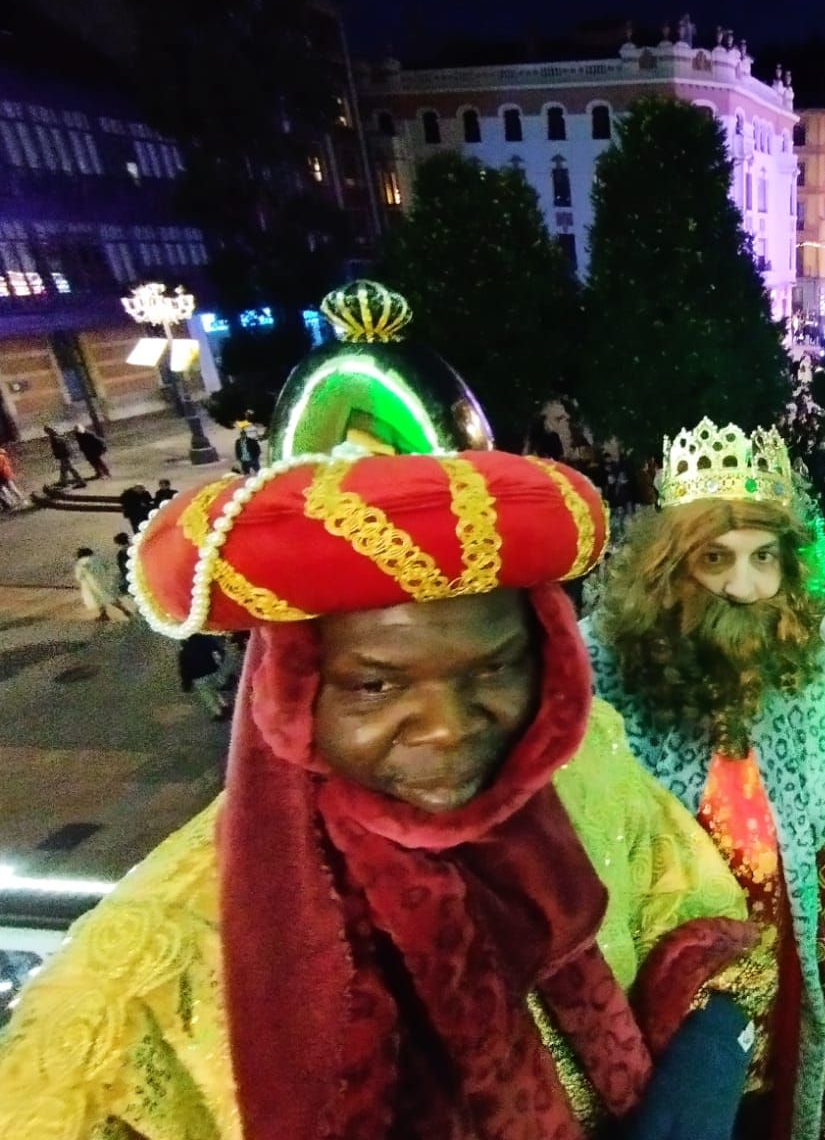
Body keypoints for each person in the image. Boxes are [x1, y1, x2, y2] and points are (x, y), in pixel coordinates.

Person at [0, 281, 768, 1140]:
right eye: (377, 685)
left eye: (493, 668)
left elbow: (693, 921)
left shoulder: (590, 763)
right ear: (292, 687)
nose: (448, 726)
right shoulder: (149, 974)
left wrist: (697, 1080)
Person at [586, 418, 825, 1140]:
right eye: (715, 559)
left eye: (764, 560)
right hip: (654, 978)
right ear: (670, 568)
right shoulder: (601, 677)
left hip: (787, 963)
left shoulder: (815, 676)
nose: (744, 586)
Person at [177, 631, 231, 720]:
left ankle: (219, 712)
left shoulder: (184, 652)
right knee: (214, 689)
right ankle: (225, 704)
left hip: (199, 677)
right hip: (212, 670)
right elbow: (217, 650)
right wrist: (220, 661)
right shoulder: (205, 640)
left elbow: (184, 670)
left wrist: (186, 685)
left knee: (208, 695)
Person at [72, 545, 132, 621]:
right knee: (107, 597)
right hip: (103, 581)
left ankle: (107, 614)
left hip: (91, 585)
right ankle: (120, 611)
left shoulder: (80, 563)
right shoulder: (98, 559)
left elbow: (79, 576)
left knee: (98, 599)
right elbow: (107, 567)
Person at [0, 444, 27, 509]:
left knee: (11, 488)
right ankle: (14, 503)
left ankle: (22, 500)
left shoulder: (1, 456)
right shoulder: (2, 455)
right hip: (4, 474)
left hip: (5, 474)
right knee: (5, 489)